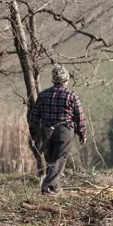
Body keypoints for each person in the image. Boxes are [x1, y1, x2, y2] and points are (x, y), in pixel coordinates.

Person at [28, 65, 86, 195]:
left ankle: (55, 189)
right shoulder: (71, 95)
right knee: (59, 159)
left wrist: (34, 132)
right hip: (64, 130)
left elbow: (34, 115)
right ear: (66, 79)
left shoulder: (42, 95)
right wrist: (82, 133)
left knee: (50, 159)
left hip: (46, 130)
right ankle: (47, 187)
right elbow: (80, 116)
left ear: (53, 79)